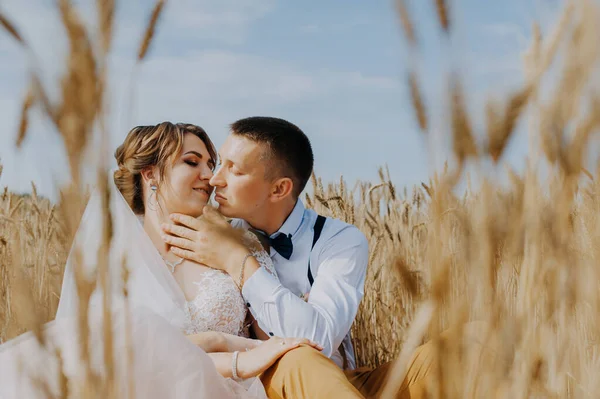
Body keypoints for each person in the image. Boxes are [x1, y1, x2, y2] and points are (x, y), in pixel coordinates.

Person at [0, 122, 321, 399]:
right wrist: (217, 342)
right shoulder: (111, 256)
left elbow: (276, 342)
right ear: (150, 173)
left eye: (212, 164)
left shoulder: (238, 242)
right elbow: (107, 357)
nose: (210, 176)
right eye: (192, 162)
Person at [161, 117, 451, 398]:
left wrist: (237, 261)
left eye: (233, 170)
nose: (214, 179)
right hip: (263, 383)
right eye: (220, 163)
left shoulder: (339, 240)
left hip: (340, 382)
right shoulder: (210, 235)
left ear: (279, 189)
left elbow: (320, 342)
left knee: (470, 341)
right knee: (299, 361)